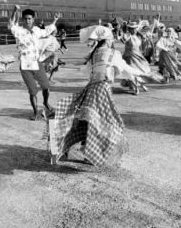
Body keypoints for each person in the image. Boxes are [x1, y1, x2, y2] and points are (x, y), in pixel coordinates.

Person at [46, 26, 140, 167]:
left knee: (85, 120)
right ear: (107, 40)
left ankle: (60, 148)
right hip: (102, 90)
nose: (112, 40)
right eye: (111, 38)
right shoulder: (113, 53)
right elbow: (125, 70)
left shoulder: (94, 53)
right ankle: (92, 155)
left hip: (91, 89)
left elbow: (87, 73)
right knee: (108, 123)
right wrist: (144, 73)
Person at [9, 5, 61, 120]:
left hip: (36, 63)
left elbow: (48, 30)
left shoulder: (37, 30)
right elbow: (11, 23)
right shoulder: (18, 31)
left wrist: (55, 19)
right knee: (33, 92)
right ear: (23, 19)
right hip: (25, 65)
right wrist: (14, 11)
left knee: (46, 87)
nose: (28, 21)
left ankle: (46, 103)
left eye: (30, 19)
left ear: (33, 19)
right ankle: (35, 112)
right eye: (26, 19)